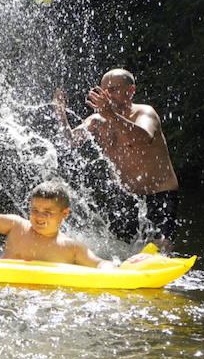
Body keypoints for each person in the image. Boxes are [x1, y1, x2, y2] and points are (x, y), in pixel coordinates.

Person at [54, 68, 180, 247]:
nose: (107, 95)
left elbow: (144, 137)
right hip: (125, 195)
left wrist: (111, 116)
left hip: (158, 193)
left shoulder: (145, 113)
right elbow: (70, 142)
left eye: (113, 90)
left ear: (130, 91)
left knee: (160, 247)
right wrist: (60, 113)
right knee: (120, 248)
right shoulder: (97, 120)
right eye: (105, 90)